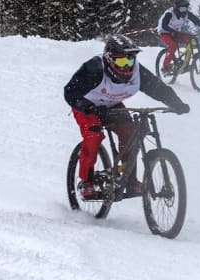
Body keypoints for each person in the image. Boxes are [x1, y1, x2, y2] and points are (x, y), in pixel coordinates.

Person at [64, 34, 191, 199]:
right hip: (87, 106)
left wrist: (176, 103)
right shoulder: (94, 68)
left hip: (112, 105)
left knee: (130, 133)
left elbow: (158, 88)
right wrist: (87, 107)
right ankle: (86, 182)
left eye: (129, 61)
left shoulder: (137, 73)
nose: (126, 67)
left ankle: (129, 178)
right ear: (109, 59)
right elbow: (70, 92)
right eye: (121, 61)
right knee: (93, 135)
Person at [157, 0, 200, 75]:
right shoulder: (169, 13)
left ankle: (185, 64)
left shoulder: (186, 14)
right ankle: (165, 67)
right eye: (182, 8)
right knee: (172, 46)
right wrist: (172, 31)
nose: (184, 11)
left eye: (185, 8)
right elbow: (164, 25)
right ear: (176, 7)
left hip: (176, 32)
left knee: (191, 40)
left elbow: (196, 21)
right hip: (164, 32)